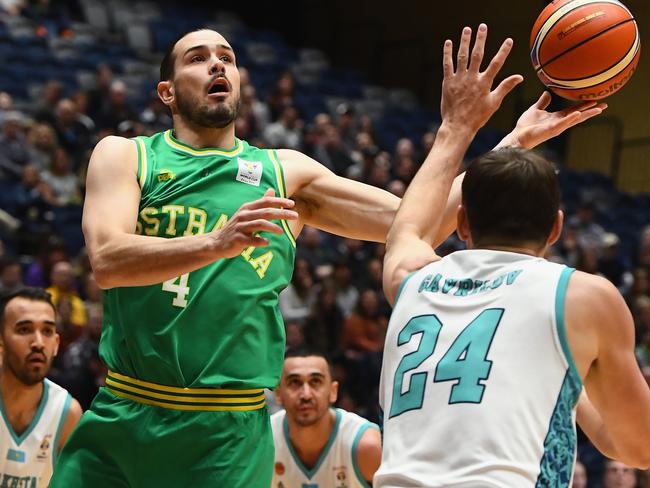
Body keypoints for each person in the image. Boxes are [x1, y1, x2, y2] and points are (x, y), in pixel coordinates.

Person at [51, 26, 604, 487]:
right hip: (126, 411)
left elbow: (415, 225)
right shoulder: (126, 156)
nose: (218, 65)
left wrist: (507, 146)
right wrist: (216, 244)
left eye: (228, 57)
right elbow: (107, 258)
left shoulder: (284, 172)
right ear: (168, 92)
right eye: (198, 59)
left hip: (228, 432)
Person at [377, 26, 648, 487]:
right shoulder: (584, 298)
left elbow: (411, 225)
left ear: (462, 224)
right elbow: (636, 445)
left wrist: (457, 127)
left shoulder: (409, 280)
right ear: (556, 228)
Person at [0, 288, 82, 488]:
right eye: (24, 330)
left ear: (56, 344)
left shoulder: (67, 413)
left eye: (47, 331)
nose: (38, 343)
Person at [271, 348, 381, 487]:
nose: (306, 395)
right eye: (294, 382)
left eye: (315, 381)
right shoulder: (264, 442)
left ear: (333, 391)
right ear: (278, 393)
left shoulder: (366, 446)